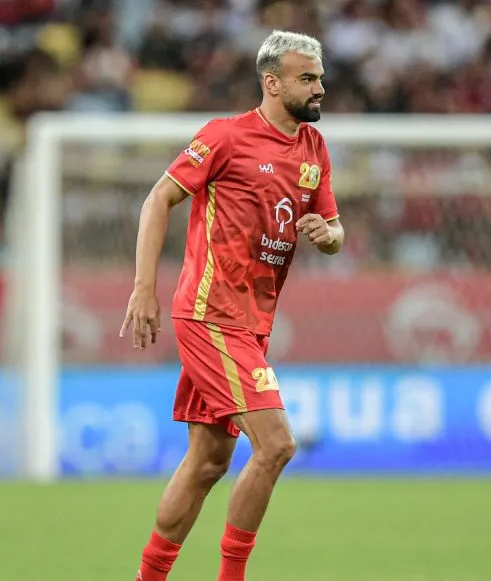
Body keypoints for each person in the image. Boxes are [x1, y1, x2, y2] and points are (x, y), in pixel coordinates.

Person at [118, 30, 344, 581]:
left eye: (319, 77)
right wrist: (143, 286)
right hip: (210, 314)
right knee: (277, 445)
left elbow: (334, 230)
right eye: (307, 78)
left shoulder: (313, 149)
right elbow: (159, 197)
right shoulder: (225, 137)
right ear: (272, 82)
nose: (321, 87)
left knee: (208, 462)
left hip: (251, 322)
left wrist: (326, 233)